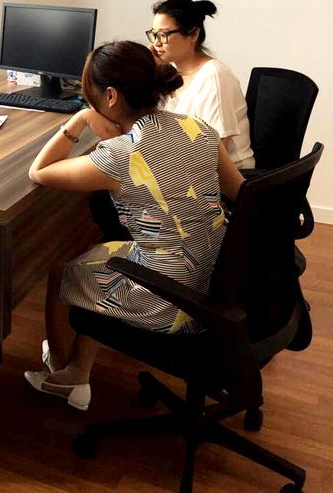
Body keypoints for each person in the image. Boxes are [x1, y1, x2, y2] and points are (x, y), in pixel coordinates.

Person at [23, 41, 243, 411]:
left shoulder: (121, 155)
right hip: (221, 278)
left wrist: (80, 120)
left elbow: (39, 171)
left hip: (172, 299)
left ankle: (62, 373)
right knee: (101, 258)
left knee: (62, 271)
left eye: (91, 96)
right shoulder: (198, 129)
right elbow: (243, 194)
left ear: (110, 97)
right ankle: (78, 371)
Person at [148, 0, 254, 169]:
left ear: (193, 35)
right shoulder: (171, 72)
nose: (156, 43)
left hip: (225, 177)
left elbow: (216, 152)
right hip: (185, 167)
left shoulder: (214, 76)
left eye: (163, 35)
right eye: (154, 35)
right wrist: (152, 71)